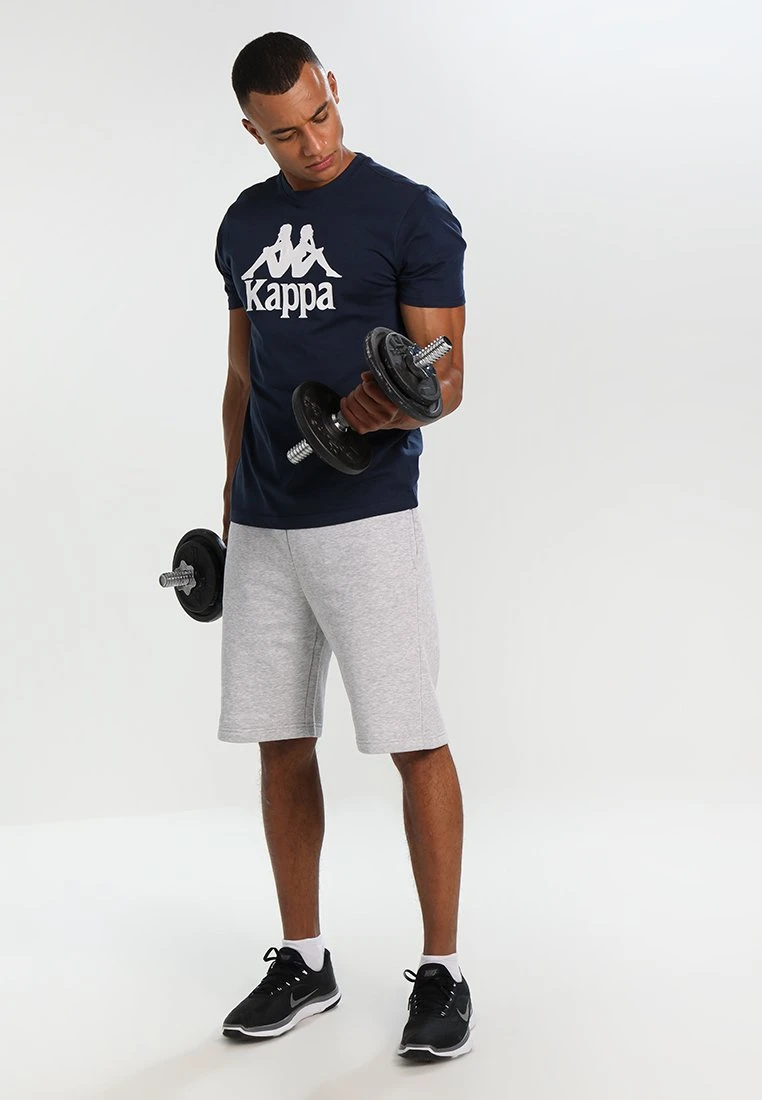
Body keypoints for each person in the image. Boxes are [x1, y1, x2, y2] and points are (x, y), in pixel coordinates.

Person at [214, 31, 472, 1061]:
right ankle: (304, 957)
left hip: (367, 516)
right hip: (264, 519)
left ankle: (444, 970)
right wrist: (230, 501)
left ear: (334, 89)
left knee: (412, 737)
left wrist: (394, 406)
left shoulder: (411, 213)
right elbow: (242, 375)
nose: (313, 143)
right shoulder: (242, 223)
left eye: (321, 116)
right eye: (287, 133)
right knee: (280, 738)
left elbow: (447, 374)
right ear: (253, 132)